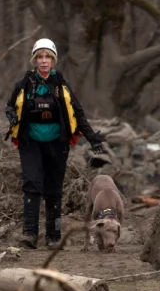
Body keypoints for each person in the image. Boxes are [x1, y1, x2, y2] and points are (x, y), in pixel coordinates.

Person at [6, 38, 106, 248]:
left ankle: (53, 236)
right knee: (32, 185)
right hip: (30, 142)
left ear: (53, 60)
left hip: (57, 144)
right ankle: (30, 235)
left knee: (54, 189)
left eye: (48, 57)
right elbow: (10, 107)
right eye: (40, 57)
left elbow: (78, 114)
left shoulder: (61, 85)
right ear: (34, 59)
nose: (44, 61)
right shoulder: (24, 84)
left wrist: (93, 139)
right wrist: (12, 117)